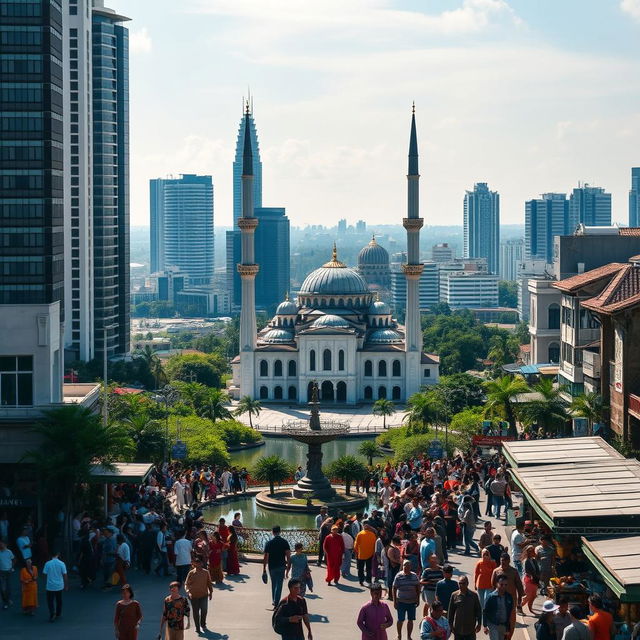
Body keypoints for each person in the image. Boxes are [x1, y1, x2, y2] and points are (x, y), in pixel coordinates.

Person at [491, 553, 523, 631]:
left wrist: (519, 601)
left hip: (511, 600)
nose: (503, 563)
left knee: (511, 621)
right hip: (499, 600)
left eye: (505, 561)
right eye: (501, 561)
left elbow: (519, 586)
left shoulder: (514, 572)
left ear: (509, 561)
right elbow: (492, 585)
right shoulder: (496, 571)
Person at [263, 525, 291, 609]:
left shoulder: (269, 543)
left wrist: (264, 568)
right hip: (281, 566)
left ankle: (274, 601)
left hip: (272, 566)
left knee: (273, 584)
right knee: (279, 585)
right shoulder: (284, 542)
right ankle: (276, 603)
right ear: (280, 532)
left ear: (272, 532)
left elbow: (265, 557)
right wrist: (288, 568)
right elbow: (288, 556)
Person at [393, 559, 421, 640]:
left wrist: (418, 599)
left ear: (410, 567)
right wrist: (395, 601)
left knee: (410, 620)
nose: (406, 568)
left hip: (411, 602)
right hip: (401, 602)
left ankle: (409, 636)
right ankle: (399, 635)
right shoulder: (398, 576)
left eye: (408, 566)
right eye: (405, 566)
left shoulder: (414, 576)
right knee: (400, 619)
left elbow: (418, 587)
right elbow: (394, 588)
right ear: (403, 566)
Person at [447, 575, 482, 640]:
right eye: (459, 583)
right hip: (458, 629)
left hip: (470, 629)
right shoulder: (454, 595)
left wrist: (479, 624)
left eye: (463, 583)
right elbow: (451, 611)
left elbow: (478, 610)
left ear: (467, 583)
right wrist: (450, 625)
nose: (461, 585)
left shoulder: (474, 595)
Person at [185, 558, 213, 634]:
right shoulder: (191, 573)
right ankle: (197, 627)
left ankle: (203, 623)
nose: (197, 565)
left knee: (204, 610)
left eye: (199, 563)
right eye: (196, 563)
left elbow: (209, 583)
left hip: (204, 595)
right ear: (194, 564)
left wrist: (211, 592)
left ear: (202, 564)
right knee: (196, 612)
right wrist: (188, 592)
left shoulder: (206, 572)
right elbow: (186, 584)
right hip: (193, 596)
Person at [482, 575, 514, 640]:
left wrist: (508, 627)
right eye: (501, 584)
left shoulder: (509, 597)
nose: (504, 587)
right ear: (497, 584)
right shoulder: (491, 597)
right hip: (493, 625)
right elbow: (485, 611)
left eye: (506, 585)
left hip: (503, 625)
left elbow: (509, 613)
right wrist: (485, 626)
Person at [43, 550, 67, 623]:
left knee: (50, 600)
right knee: (59, 600)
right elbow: (65, 575)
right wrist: (66, 585)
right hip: (59, 585)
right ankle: (58, 613)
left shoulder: (47, 563)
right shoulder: (62, 563)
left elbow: (44, 574)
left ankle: (52, 613)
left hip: (50, 586)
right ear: (58, 554)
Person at [521, 545, 541, 615]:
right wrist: (534, 576)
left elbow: (537, 570)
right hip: (528, 580)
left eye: (532, 551)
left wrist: (537, 577)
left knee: (533, 595)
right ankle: (519, 607)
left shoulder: (534, 560)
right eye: (530, 551)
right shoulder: (526, 561)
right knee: (528, 596)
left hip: (534, 579)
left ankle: (530, 608)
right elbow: (527, 571)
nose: (532, 552)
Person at [0, 539, 14, 609]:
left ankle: (7, 600)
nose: (0, 545)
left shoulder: (9, 552)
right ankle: (5, 601)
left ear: (5, 544)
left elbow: (13, 559)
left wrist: (12, 568)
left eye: (1, 543)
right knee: (2, 588)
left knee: (8, 587)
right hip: (1, 572)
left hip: (8, 571)